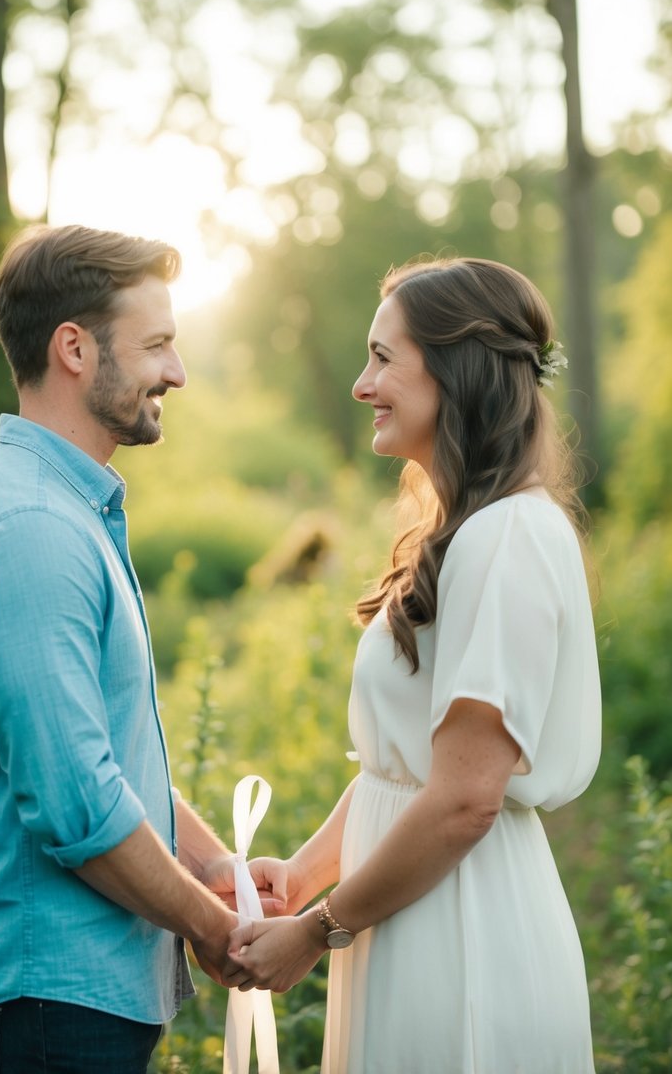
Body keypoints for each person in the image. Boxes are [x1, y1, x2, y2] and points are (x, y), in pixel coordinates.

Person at [229, 257, 602, 1073]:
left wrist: (319, 930)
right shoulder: (464, 534)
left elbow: (465, 799)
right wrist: (300, 875)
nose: (362, 385)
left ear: (454, 369)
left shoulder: (508, 537)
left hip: (465, 930)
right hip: (407, 913)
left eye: (381, 358)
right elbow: (395, 772)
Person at [0, 224, 253, 1074]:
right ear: (73, 348)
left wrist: (215, 867)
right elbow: (76, 806)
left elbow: (98, 759)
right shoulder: (30, 529)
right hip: (39, 1006)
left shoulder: (61, 511)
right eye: (157, 345)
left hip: (61, 1003)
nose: (175, 372)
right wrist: (218, 932)